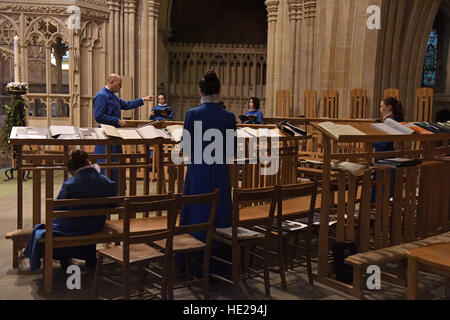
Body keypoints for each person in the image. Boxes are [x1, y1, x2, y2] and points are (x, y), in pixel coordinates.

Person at [179, 70, 236, 276]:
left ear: (200, 91)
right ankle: (219, 261)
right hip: (220, 171)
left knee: (198, 208)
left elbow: (186, 145)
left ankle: (192, 259)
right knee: (219, 209)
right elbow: (231, 149)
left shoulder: (192, 114)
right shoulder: (229, 116)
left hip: (199, 170)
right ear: (219, 90)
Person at [23, 150, 117, 271]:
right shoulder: (106, 181)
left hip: (74, 228)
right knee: (78, 222)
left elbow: (57, 209)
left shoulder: (70, 184)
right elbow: (115, 203)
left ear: (72, 169)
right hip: (96, 225)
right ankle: (89, 257)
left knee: (41, 229)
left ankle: (63, 257)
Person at [93, 74, 153, 188]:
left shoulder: (113, 96)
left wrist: (143, 100)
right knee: (106, 163)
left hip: (114, 134)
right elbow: (98, 116)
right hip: (106, 135)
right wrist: (117, 121)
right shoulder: (102, 95)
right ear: (111, 82)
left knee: (116, 163)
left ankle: (116, 189)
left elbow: (126, 105)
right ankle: (105, 190)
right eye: (119, 84)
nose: (121, 86)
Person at [371, 97, 404, 202]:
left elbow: (383, 144)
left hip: (385, 159)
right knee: (383, 190)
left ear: (389, 107)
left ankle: (378, 212)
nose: (380, 109)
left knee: (382, 191)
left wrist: (368, 140)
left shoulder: (390, 121)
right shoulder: (390, 120)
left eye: (382, 106)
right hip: (385, 157)